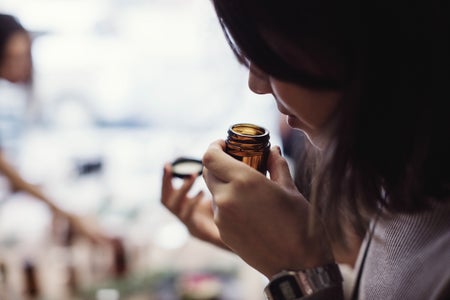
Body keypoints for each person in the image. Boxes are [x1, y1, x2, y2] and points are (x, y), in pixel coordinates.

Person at [161, 0, 450, 299]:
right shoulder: (408, 178)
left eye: (267, 53)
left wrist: (298, 271)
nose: (256, 84)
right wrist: (272, 247)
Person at [0, 13, 111, 245]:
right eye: (13, 58)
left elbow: (11, 176)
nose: (22, 65)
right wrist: (65, 212)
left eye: (24, 56)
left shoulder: (14, 99)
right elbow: (6, 169)